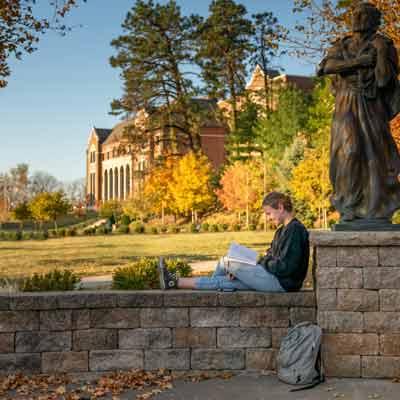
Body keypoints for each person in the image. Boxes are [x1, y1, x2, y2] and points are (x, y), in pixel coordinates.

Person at [317, 2, 400, 224]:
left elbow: (383, 80)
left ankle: (377, 208)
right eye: (355, 15)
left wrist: (381, 53)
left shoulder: (384, 45)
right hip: (346, 104)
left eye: (363, 15)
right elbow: (326, 67)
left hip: (372, 106)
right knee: (349, 151)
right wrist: (358, 62)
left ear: (374, 20)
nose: (356, 18)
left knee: (376, 156)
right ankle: (348, 205)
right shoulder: (342, 45)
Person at [158, 192, 309, 292]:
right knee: (226, 282)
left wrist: (260, 261)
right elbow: (270, 256)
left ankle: (182, 283)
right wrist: (258, 262)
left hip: (282, 283)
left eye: (269, 213)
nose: (267, 218)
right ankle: (173, 282)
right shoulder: (281, 231)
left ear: (280, 207)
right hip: (271, 277)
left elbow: (285, 268)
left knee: (227, 262)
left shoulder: (295, 230)